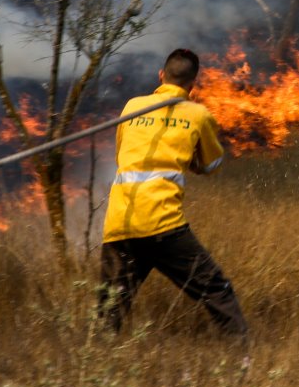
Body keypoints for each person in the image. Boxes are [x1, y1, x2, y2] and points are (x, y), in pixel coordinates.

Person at [97, 47, 249, 337]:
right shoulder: (198, 114)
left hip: (120, 224)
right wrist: (191, 159)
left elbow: (122, 157)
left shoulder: (131, 107)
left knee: (110, 308)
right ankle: (245, 360)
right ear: (193, 85)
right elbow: (212, 164)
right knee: (216, 289)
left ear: (161, 75)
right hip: (164, 226)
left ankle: (92, 367)